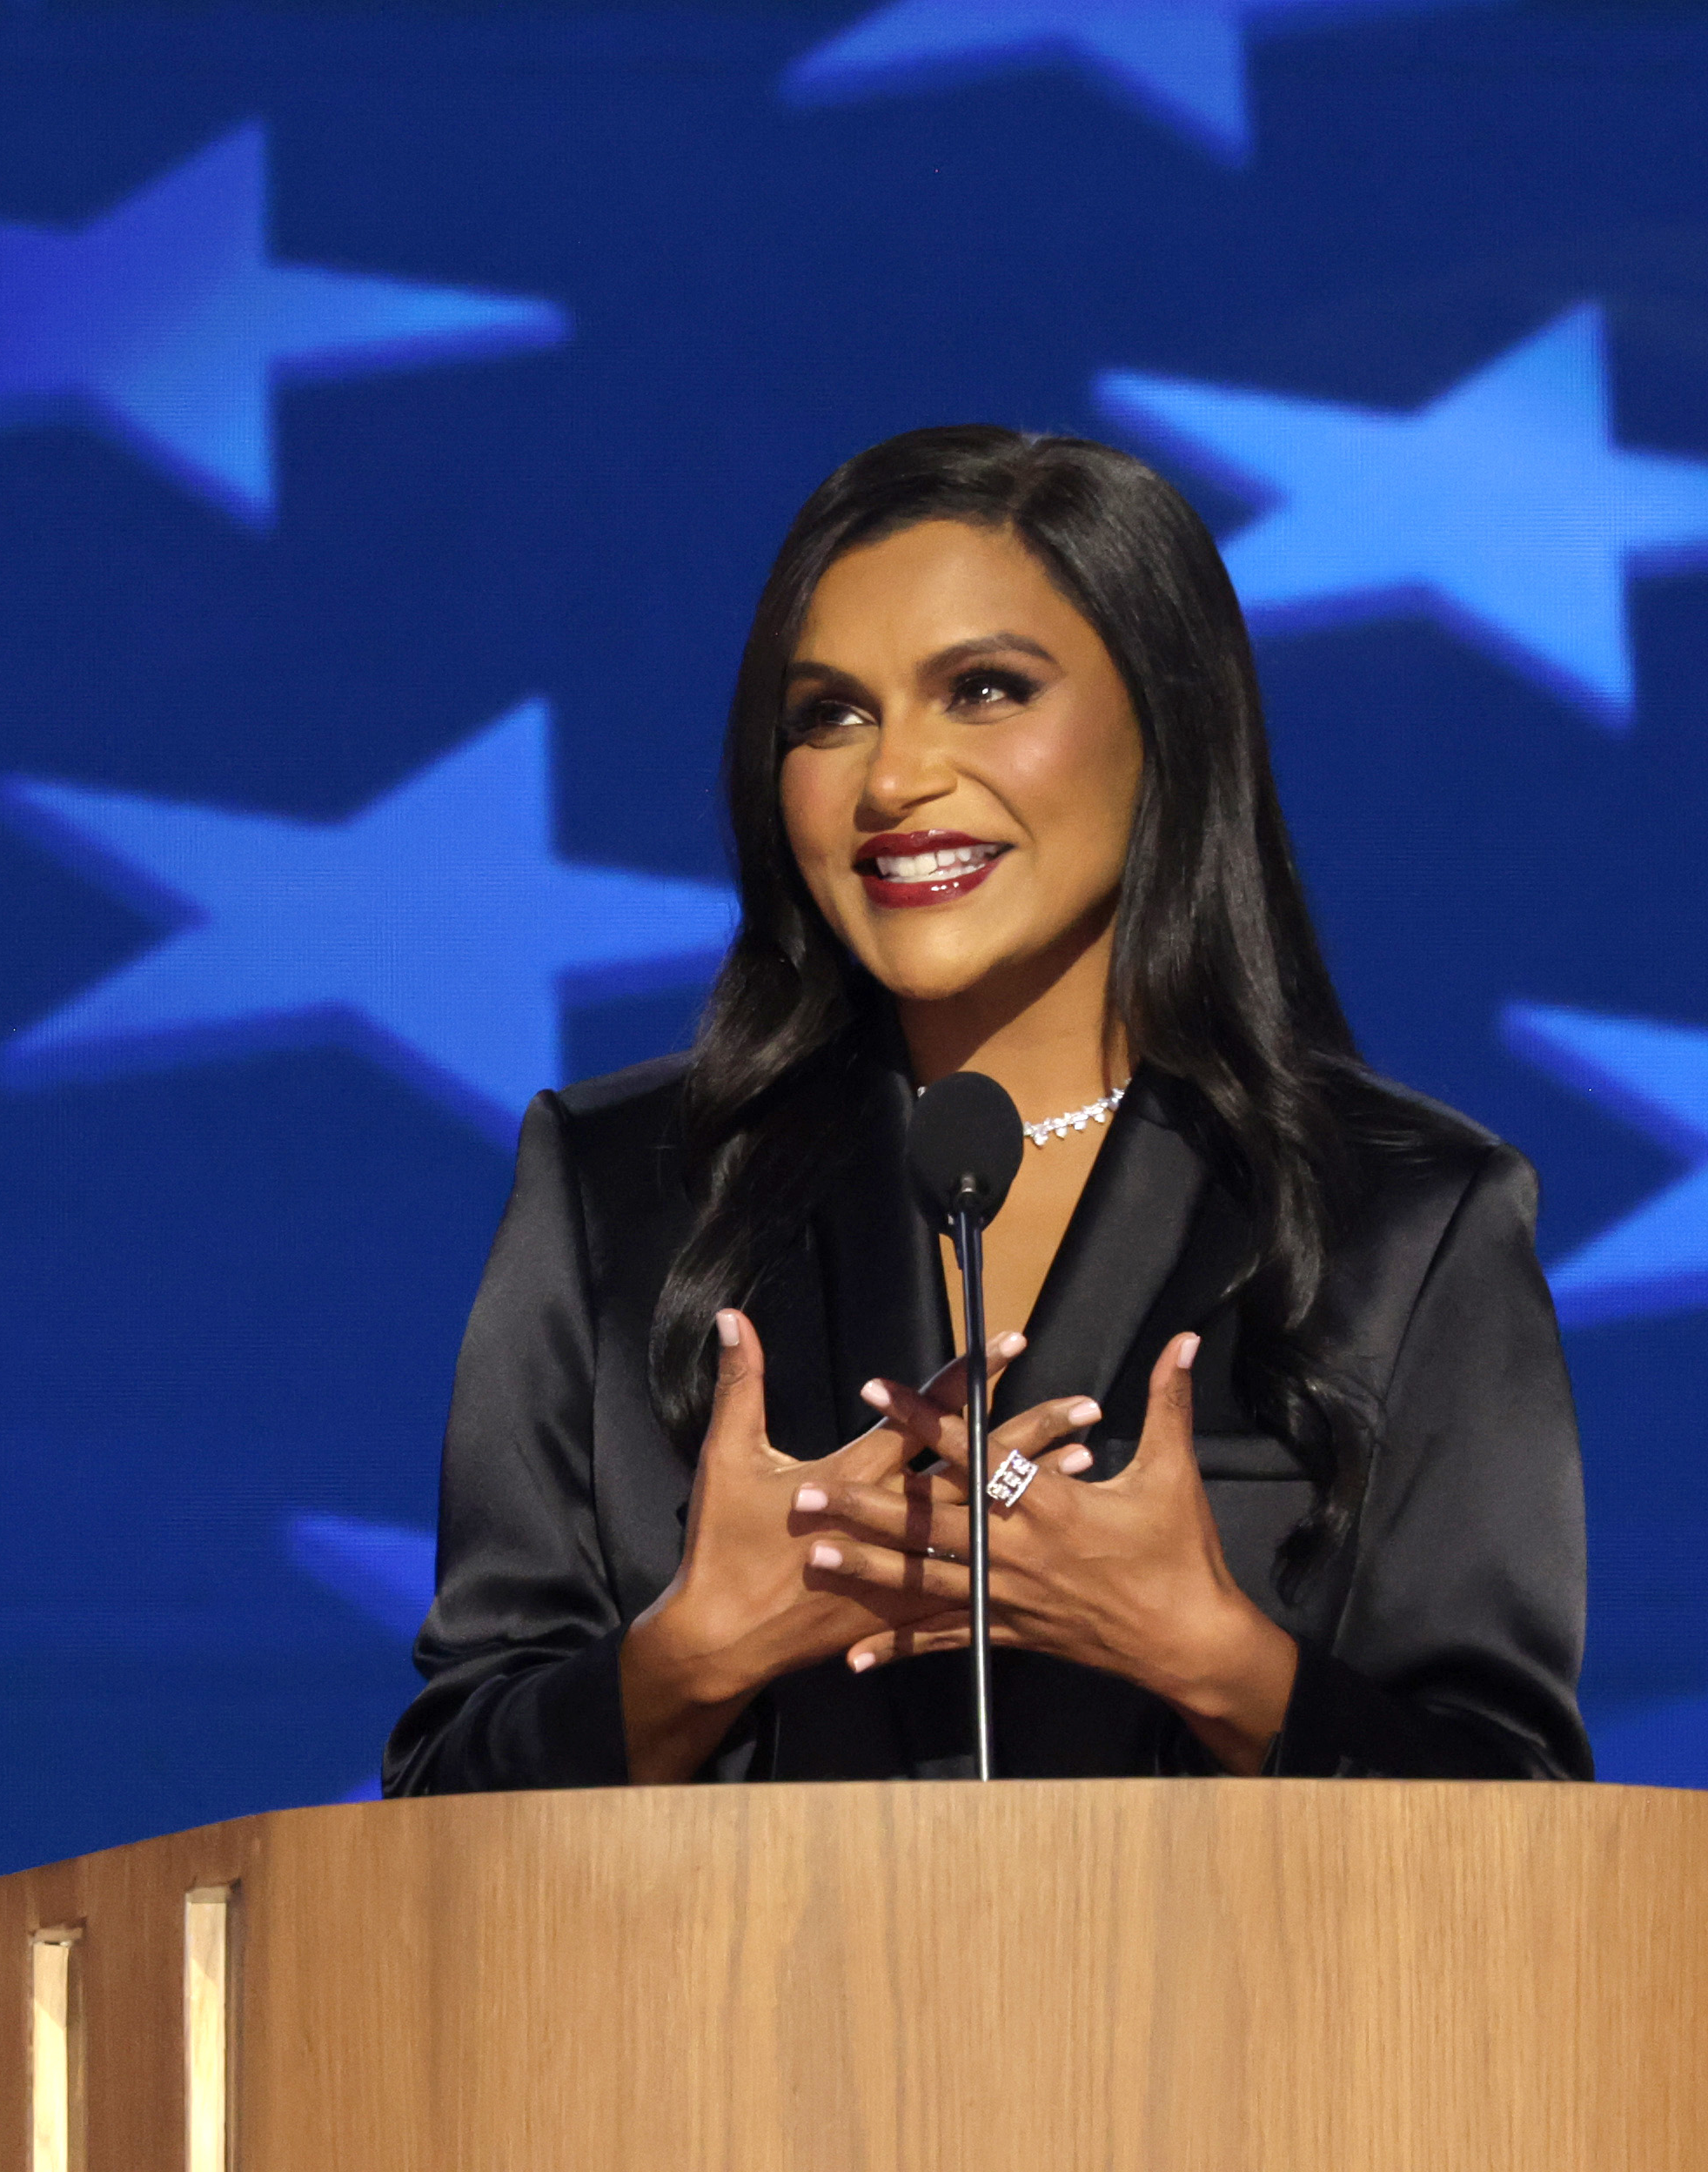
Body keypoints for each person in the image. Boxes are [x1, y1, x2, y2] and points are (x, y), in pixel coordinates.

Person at [382, 426, 1588, 1790]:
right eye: (829, 715)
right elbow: (438, 1806)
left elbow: (1523, 1830)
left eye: (986, 691)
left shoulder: (1403, 1224)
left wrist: (1212, 1658)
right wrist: (691, 1661)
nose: (891, 781)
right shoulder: (619, 1194)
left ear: (1167, 725)